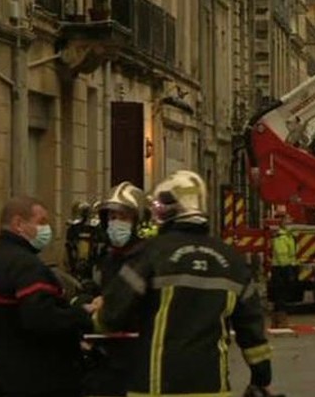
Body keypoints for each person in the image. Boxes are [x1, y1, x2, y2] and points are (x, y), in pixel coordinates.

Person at [95, 170, 283, 397]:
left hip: (156, 387)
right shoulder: (232, 261)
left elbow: (112, 315)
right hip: (212, 387)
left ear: (164, 210)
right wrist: (261, 378)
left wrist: (94, 316)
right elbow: (252, 331)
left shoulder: (149, 254)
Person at [0, 196, 98, 397]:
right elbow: (41, 317)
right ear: (18, 224)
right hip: (43, 380)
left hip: (9, 379)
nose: (47, 229)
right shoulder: (25, 265)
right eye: (41, 222)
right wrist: (81, 314)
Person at [82, 182, 148, 397]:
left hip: (136, 360)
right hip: (105, 357)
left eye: (123, 217)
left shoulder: (145, 259)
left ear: (138, 222)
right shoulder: (107, 257)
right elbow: (93, 286)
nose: (115, 223)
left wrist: (106, 304)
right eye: (111, 217)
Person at [269, 212, 297, 328]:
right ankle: (281, 321)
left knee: (280, 295)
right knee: (281, 296)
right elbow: (282, 254)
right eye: (287, 219)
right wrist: (288, 269)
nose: (290, 221)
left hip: (282, 267)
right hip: (281, 268)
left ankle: (276, 321)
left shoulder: (286, 235)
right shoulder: (280, 236)